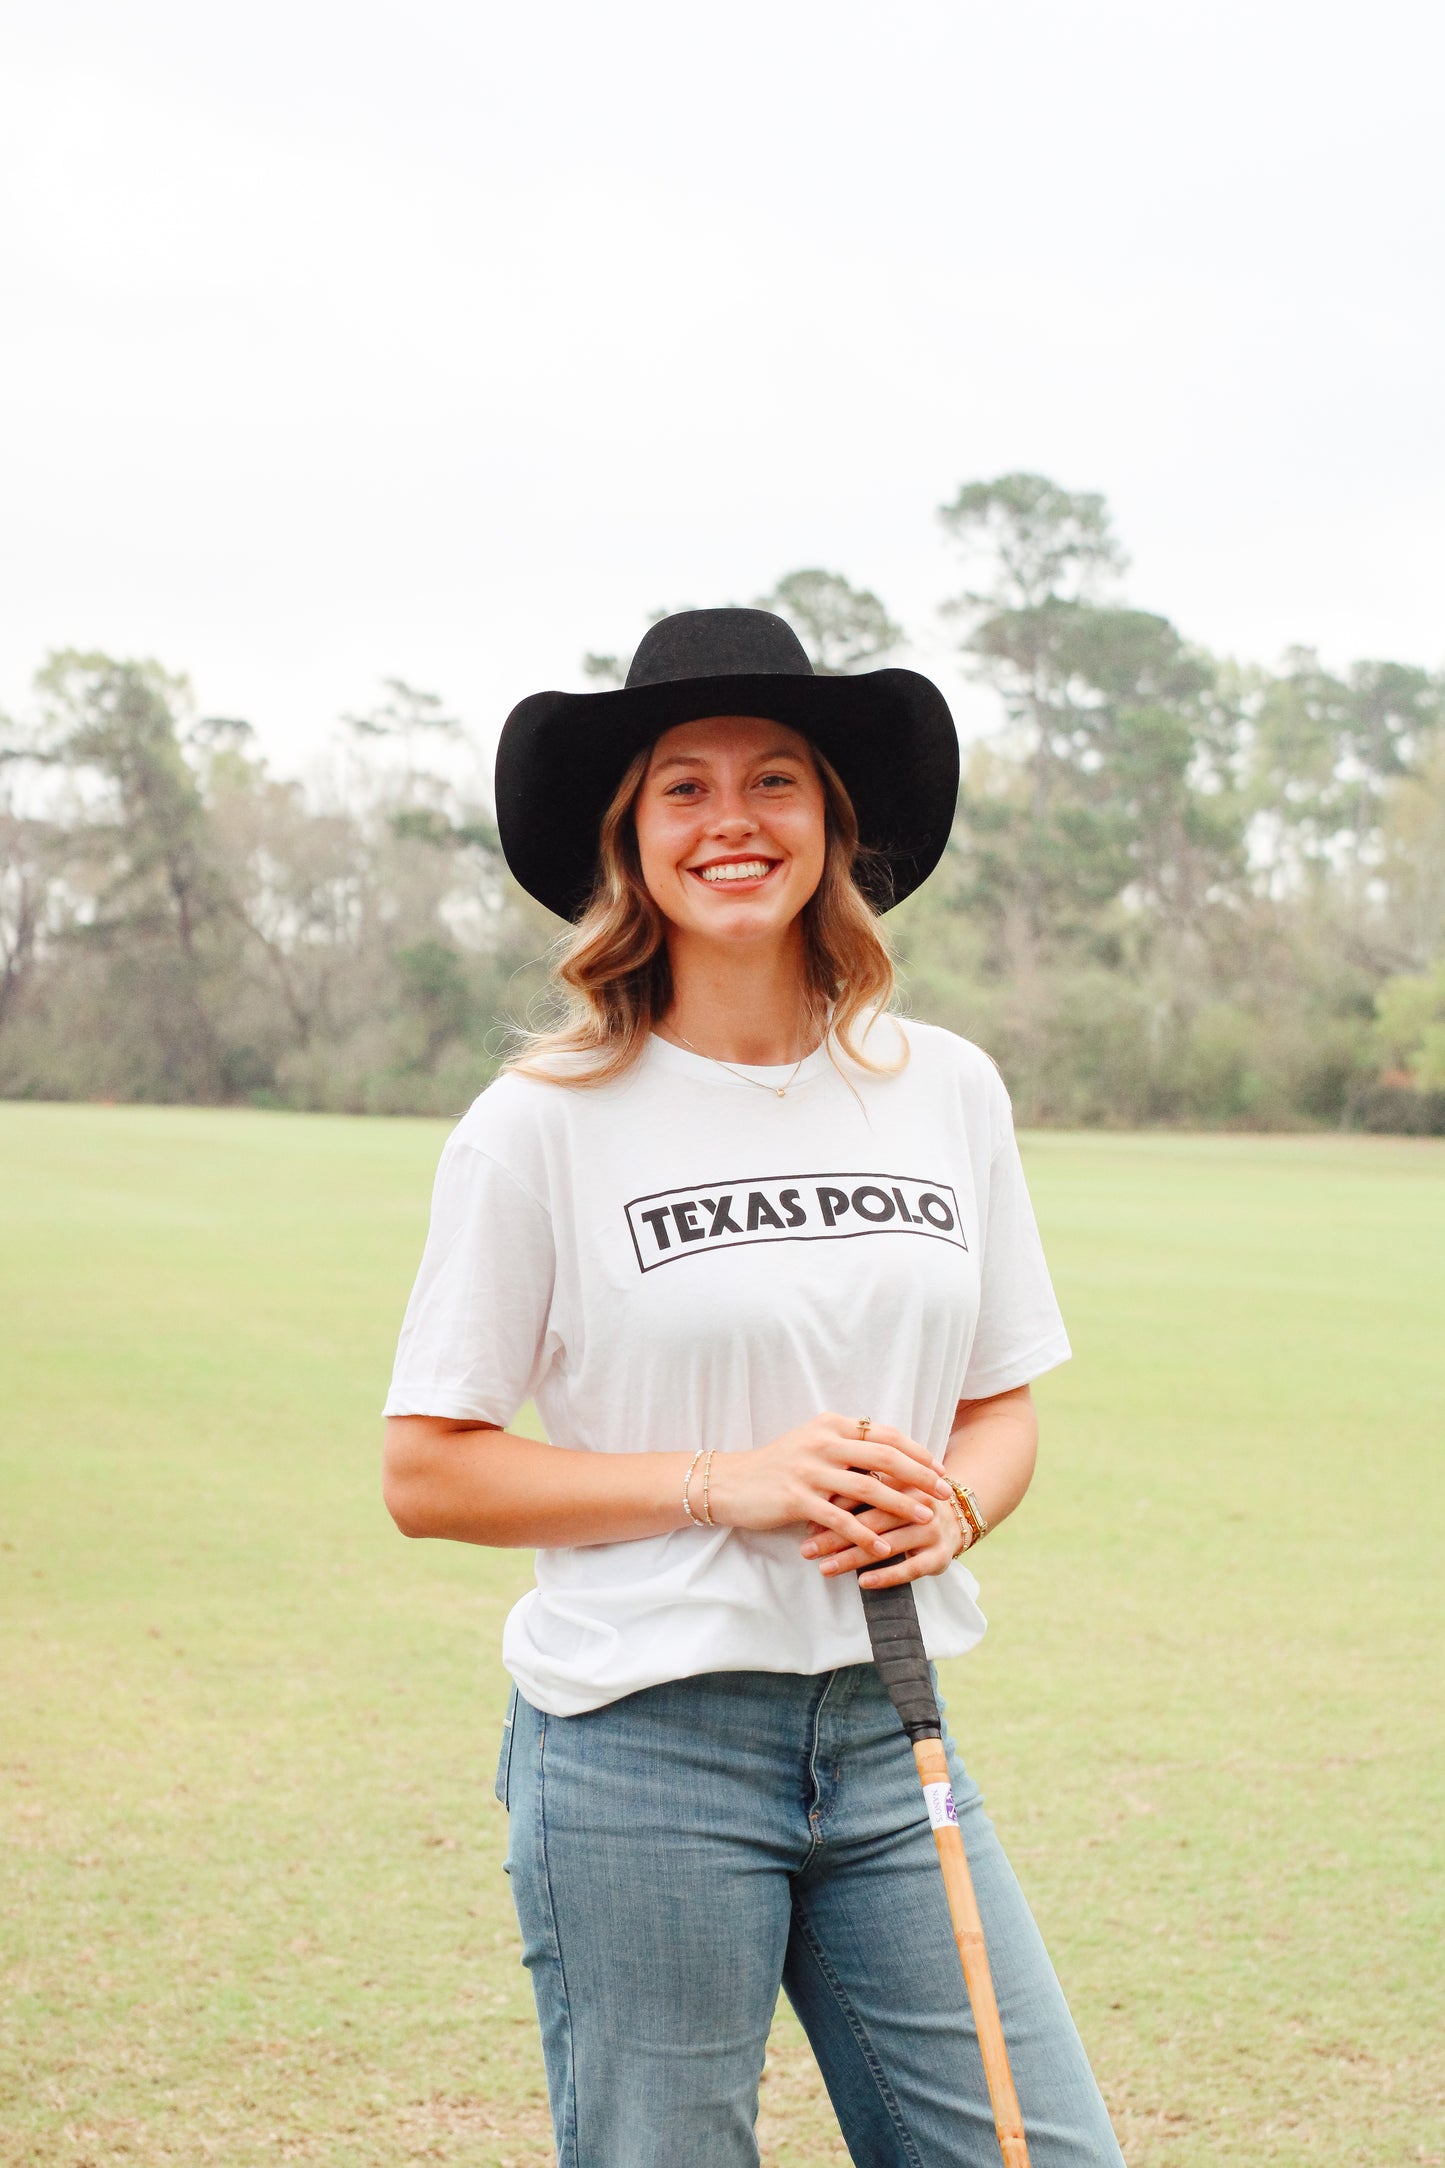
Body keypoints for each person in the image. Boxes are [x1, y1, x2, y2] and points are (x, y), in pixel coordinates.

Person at [381, 609, 1126, 2168]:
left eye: (774, 780)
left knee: (1030, 2149)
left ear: (833, 828)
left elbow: (1000, 1406)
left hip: (886, 1731)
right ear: (630, 845)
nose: (734, 821)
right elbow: (431, 1472)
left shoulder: (945, 1090)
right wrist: (729, 1480)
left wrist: (951, 1511)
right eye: (684, 788)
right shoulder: (541, 1125)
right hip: (640, 1745)